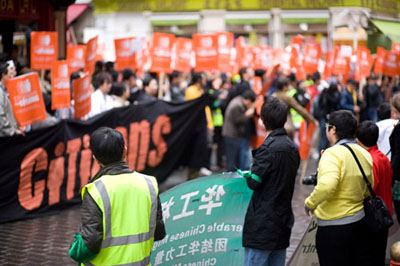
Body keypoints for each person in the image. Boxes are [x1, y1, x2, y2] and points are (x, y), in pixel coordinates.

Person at [69, 127, 166, 265]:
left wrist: (74, 250)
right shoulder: (149, 184)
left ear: (95, 158)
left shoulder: (95, 190)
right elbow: (159, 232)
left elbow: (90, 242)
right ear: (124, 151)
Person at [304, 110, 374, 266]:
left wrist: (310, 202)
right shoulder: (364, 153)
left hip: (334, 227)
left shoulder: (332, 154)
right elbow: (369, 187)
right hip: (358, 221)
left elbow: (327, 186)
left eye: (327, 126)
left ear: (333, 129)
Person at [241, 97, 300, 266]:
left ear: (262, 121)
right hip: (283, 221)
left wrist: (250, 173)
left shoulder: (268, 148)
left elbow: (253, 182)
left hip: (263, 224)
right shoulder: (292, 148)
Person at [356, 121, 392, 266]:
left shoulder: (369, 160)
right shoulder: (383, 157)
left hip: (372, 217)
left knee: (368, 257)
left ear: (358, 140)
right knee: (379, 256)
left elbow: (370, 188)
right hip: (384, 214)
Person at [222, 90, 256, 172]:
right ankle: (229, 180)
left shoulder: (237, 101)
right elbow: (237, 120)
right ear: (248, 100)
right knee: (232, 161)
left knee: (234, 160)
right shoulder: (237, 105)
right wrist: (247, 115)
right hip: (232, 135)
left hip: (232, 135)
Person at [0, 62, 24, 136]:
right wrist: (13, 131)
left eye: (14, 73)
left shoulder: (11, 89)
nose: (13, 76)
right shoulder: (0, 92)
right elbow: (1, 116)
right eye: (11, 74)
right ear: (3, 75)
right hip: (6, 136)